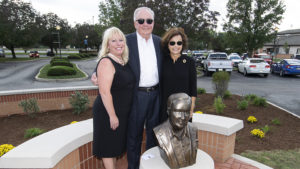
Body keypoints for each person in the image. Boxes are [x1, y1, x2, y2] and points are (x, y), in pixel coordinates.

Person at [92, 27, 135, 169]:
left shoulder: (123, 60)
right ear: (107, 44)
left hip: (121, 113)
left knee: (115, 148)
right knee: (108, 149)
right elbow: (104, 92)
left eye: (121, 40)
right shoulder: (107, 62)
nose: (118, 43)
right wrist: (112, 115)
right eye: (113, 41)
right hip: (108, 113)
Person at [126, 7, 163, 169]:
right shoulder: (126, 41)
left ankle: (149, 166)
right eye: (141, 21)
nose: (145, 24)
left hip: (156, 95)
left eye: (149, 21)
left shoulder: (159, 42)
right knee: (133, 136)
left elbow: (175, 57)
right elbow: (109, 55)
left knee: (153, 135)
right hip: (137, 96)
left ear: (153, 23)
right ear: (135, 23)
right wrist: (96, 71)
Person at [159, 27, 197, 123]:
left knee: (182, 137)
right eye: (172, 43)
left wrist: (191, 109)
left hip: (183, 110)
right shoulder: (162, 61)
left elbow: (193, 88)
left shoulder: (189, 62)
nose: (176, 46)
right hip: (165, 110)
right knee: (165, 137)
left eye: (179, 43)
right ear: (167, 44)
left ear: (183, 44)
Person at [154, 93, 198, 169]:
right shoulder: (159, 132)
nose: (183, 117)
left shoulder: (193, 130)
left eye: (187, 112)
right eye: (178, 111)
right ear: (168, 111)